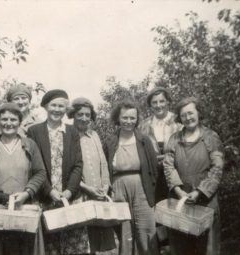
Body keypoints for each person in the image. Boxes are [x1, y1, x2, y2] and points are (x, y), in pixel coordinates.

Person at [0, 102, 47, 255]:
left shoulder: (30, 145)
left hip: (23, 211)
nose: (9, 123)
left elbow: (40, 173)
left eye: (13, 119)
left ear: (20, 122)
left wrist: (27, 193)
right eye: (4, 119)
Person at [27, 89, 89, 254]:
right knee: (49, 245)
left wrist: (69, 191)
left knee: (73, 244)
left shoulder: (72, 132)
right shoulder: (34, 131)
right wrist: (49, 191)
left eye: (61, 106)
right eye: (53, 105)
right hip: (46, 197)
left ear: (66, 109)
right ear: (46, 107)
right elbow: (34, 167)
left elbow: (78, 164)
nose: (56, 109)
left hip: (70, 197)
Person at [163, 97, 224, 255]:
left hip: (206, 201)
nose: (188, 118)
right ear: (179, 118)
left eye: (191, 113)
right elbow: (168, 166)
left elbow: (217, 168)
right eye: (183, 115)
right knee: (182, 246)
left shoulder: (211, 137)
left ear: (199, 113)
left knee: (207, 247)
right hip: (180, 201)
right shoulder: (174, 139)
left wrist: (200, 192)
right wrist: (178, 190)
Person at [104, 100, 159, 255]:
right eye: (125, 118)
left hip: (142, 186)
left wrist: (151, 190)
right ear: (118, 118)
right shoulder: (110, 141)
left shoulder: (144, 140)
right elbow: (104, 166)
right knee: (124, 228)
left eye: (132, 118)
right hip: (118, 187)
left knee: (145, 227)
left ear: (137, 119)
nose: (129, 121)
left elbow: (154, 168)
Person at [67, 97, 116, 253]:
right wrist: (86, 188)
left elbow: (103, 162)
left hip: (99, 193)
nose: (84, 118)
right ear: (73, 115)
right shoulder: (68, 135)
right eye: (80, 114)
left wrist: (105, 186)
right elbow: (68, 170)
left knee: (98, 241)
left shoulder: (93, 135)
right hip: (80, 194)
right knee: (82, 242)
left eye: (88, 115)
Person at [140, 86, 182, 202]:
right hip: (154, 175)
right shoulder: (144, 125)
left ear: (168, 101)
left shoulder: (178, 122)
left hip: (176, 172)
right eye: (154, 102)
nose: (158, 105)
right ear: (150, 105)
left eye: (162, 101)